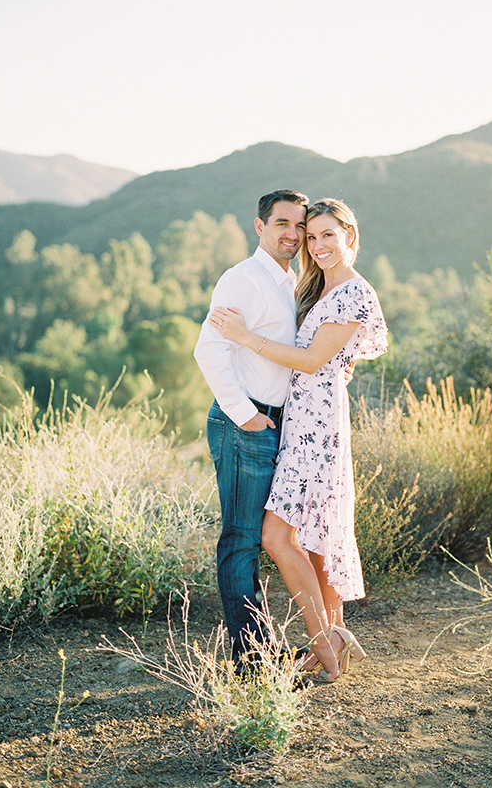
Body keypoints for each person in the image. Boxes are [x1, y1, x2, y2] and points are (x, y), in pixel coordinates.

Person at [210, 198, 388, 683]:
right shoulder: (315, 285)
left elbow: (311, 361)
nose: (317, 244)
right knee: (313, 535)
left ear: (350, 235)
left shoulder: (353, 291)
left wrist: (245, 336)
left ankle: (325, 641)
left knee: (276, 536)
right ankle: (333, 637)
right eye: (312, 236)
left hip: (316, 428)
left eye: (328, 234)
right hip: (301, 422)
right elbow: (326, 353)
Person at [194, 189, 309, 665]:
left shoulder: (290, 279)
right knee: (241, 540)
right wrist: (245, 416)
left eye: (300, 225)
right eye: (283, 223)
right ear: (260, 227)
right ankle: (251, 660)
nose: (293, 234)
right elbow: (208, 349)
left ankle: (260, 648)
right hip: (245, 423)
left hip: (274, 423)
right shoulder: (243, 279)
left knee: (263, 539)